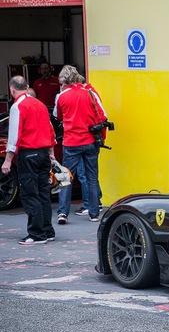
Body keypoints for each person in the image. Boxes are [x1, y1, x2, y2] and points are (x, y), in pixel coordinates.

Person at [1, 75, 56, 244]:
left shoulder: (18, 107)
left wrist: (8, 159)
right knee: (43, 193)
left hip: (29, 153)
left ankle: (36, 233)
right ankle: (47, 231)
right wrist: (51, 152)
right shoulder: (39, 104)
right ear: (27, 86)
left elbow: (14, 135)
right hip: (43, 154)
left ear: (12, 89)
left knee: (30, 194)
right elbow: (50, 130)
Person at [55, 65, 106, 224]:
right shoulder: (90, 93)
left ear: (63, 79)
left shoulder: (62, 96)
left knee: (66, 178)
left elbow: (58, 116)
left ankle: (63, 213)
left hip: (71, 142)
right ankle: (93, 213)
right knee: (92, 177)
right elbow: (103, 116)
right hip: (90, 140)